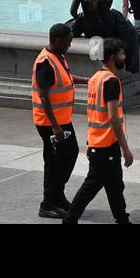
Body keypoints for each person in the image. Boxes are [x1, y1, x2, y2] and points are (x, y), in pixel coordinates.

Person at [63, 37, 132, 224]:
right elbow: (112, 117)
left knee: (115, 185)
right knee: (91, 187)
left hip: (98, 142)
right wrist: (126, 149)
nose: (124, 57)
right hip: (105, 145)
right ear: (111, 57)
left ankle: (122, 219)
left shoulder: (95, 78)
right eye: (121, 54)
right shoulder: (111, 81)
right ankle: (69, 220)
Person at [32, 22, 89, 219]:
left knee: (70, 154)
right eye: (68, 41)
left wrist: (85, 80)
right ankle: (48, 204)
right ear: (57, 40)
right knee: (54, 161)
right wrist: (55, 126)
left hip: (61, 120)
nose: (70, 45)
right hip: (50, 123)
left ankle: (57, 195)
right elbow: (44, 96)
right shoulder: (45, 63)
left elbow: (64, 77)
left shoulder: (58, 56)